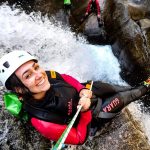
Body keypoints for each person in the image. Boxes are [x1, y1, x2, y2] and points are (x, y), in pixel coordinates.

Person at [0, 50, 150, 145]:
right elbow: (79, 138)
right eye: (28, 75)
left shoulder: (48, 76)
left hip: (88, 91)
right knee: (126, 95)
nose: (39, 75)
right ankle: (146, 87)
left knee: (119, 88)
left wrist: (83, 91)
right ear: (20, 89)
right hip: (93, 115)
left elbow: (66, 78)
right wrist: (84, 111)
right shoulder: (42, 121)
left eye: (36, 67)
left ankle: (140, 86)